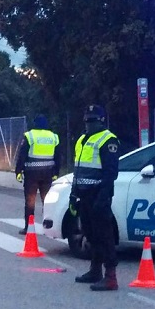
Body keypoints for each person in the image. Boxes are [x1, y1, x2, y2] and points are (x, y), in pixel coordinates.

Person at [71, 104, 120, 291]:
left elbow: (110, 173)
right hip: (83, 195)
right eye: (87, 120)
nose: (88, 124)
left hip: (99, 195)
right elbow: (77, 170)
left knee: (104, 236)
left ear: (101, 121)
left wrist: (102, 198)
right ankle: (95, 270)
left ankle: (111, 277)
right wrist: (73, 195)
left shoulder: (109, 140)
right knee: (90, 235)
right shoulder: (82, 140)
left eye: (92, 121)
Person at [15, 114, 61, 234]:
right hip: (48, 173)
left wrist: (18, 171)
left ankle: (29, 228)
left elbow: (22, 155)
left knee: (30, 202)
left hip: (32, 174)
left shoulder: (30, 135)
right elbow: (58, 157)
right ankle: (48, 227)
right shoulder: (53, 137)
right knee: (47, 202)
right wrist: (56, 172)